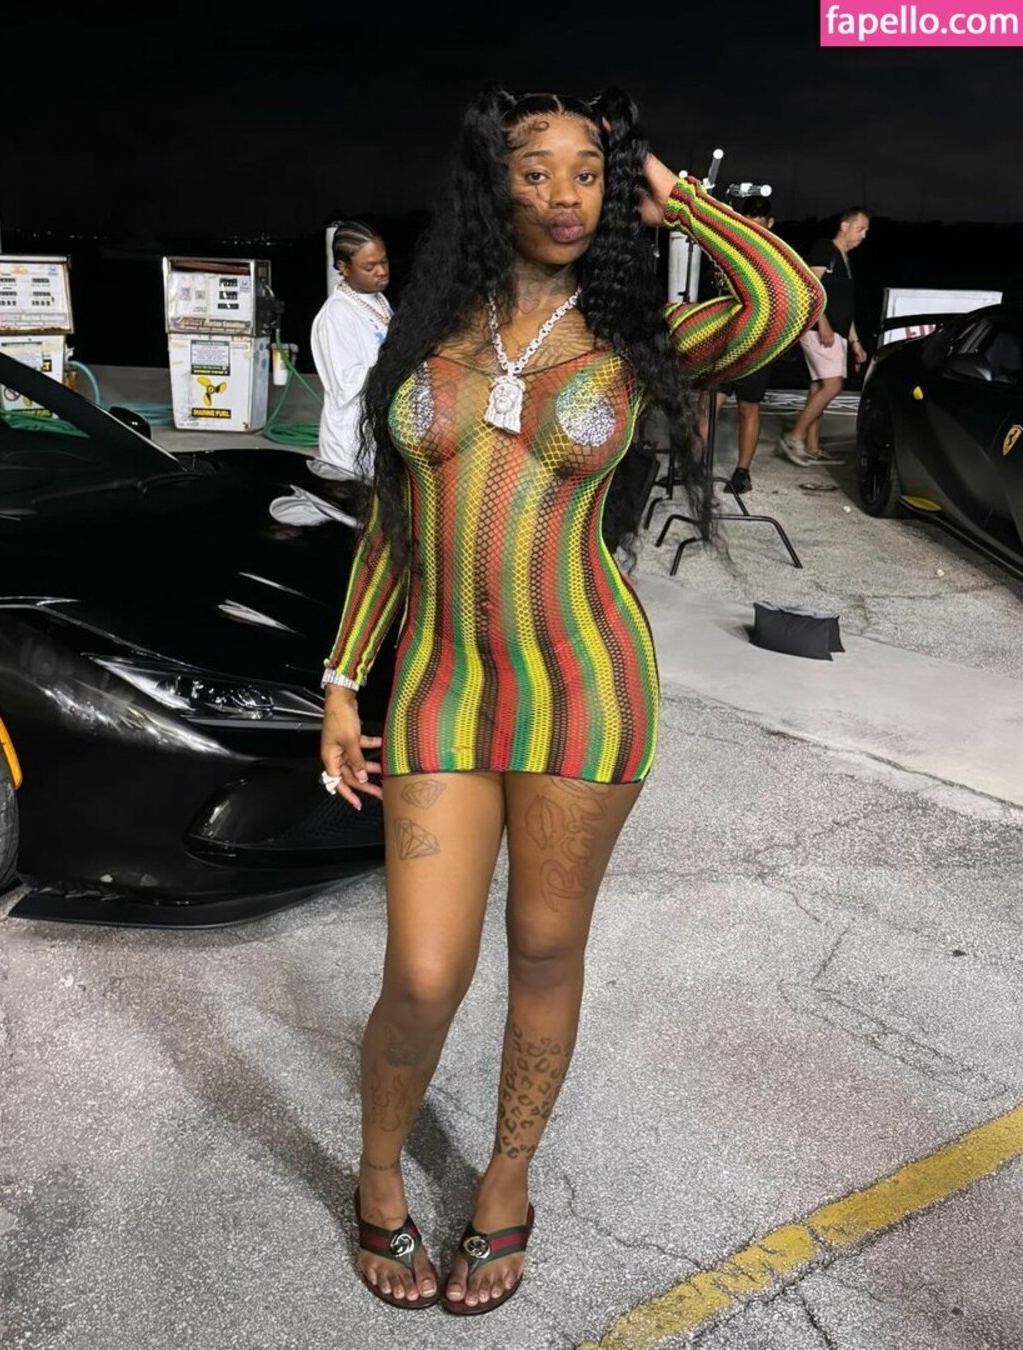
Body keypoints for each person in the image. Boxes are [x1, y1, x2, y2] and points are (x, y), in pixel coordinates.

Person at [319, 88, 823, 1317]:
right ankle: (378, 1174)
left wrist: (676, 195)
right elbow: (391, 524)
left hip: (587, 691)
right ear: (491, 186)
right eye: (533, 169)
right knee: (423, 971)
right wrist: (341, 680)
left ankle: (506, 1179)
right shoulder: (427, 333)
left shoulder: (638, 337)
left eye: (587, 172)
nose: (560, 195)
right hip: (441, 688)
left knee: (545, 950)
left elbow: (785, 301)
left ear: (614, 189)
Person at [696, 194, 781, 494]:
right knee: (708, 403)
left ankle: (742, 472)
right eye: (749, 224)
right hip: (723, 342)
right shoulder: (727, 251)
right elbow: (709, 297)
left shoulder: (777, 258)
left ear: (770, 224)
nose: (754, 231)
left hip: (757, 345)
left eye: (759, 225)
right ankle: (698, 464)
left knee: (748, 407)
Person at [777, 206, 870, 465]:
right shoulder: (824, 249)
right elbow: (809, 289)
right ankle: (794, 437)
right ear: (845, 226)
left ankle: (812, 446)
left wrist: (855, 342)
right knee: (833, 384)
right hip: (819, 330)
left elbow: (845, 307)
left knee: (819, 386)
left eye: (866, 230)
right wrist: (823, 323)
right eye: (861, 229)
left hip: (838, 332)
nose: (864, 235)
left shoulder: (846, 260)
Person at [307, 220, 392, 495]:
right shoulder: (336, 316)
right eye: (369, 267)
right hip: (348, 446)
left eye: (384, 261)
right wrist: (399, 360)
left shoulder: (377, 299)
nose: (381, 271)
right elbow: (347, 382)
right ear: (343, 268)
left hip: (375, 436)